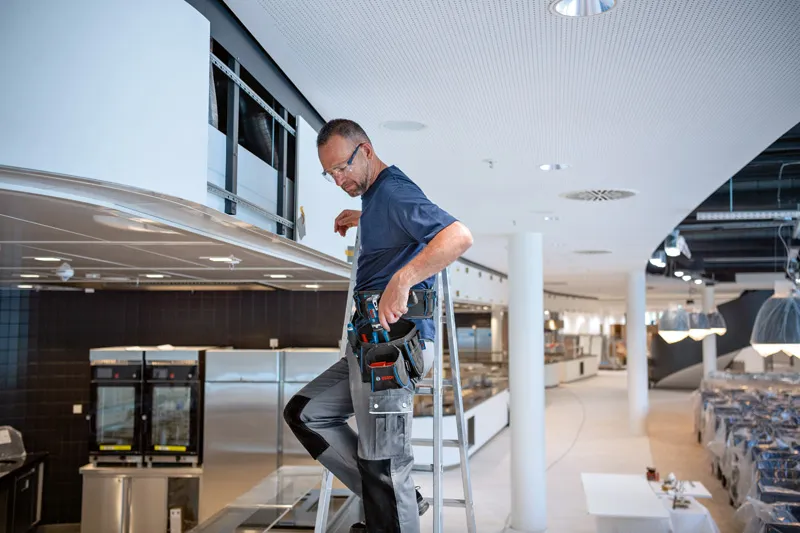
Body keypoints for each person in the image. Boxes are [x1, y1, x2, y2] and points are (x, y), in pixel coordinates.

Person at [283, 119, 473, 533]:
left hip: (391, 348)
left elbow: (458, 236)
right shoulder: (377, 200)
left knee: (385, 463)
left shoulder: (392, 192)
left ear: (366, 151)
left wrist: (402, 281)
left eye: (342, 167)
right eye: (330, 173)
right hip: (365, 345)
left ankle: (393, 508)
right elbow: (397, 231)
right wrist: (365, 218)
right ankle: (395, 501)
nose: (338, 179)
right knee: (306, 413)